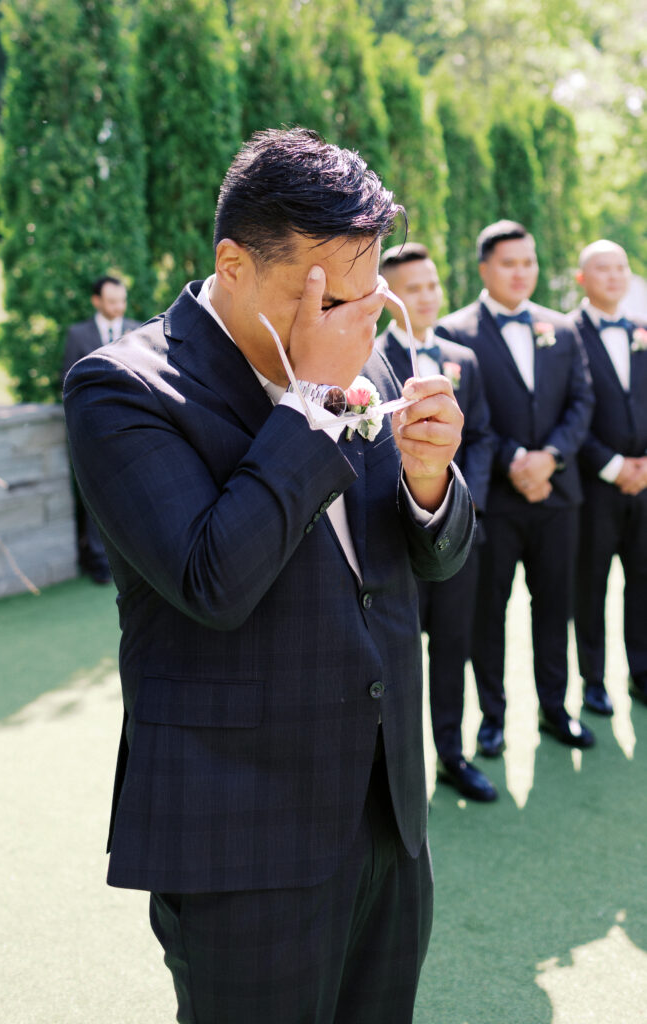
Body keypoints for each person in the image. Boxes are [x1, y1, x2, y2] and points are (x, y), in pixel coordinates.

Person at [63, 129, 474, 1024]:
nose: (349, 324)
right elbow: (212, 580)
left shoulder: (369, 348)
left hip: (387, 812)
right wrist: (313, 404)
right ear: (234, 263)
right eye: (318, 298)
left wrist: (434, 485)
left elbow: (428, 560)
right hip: (237, 835)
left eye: (365, 300)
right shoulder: (122, 388)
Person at [435, 220, 595, 756]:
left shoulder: (563, 329)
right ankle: (492, 718)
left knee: (555, 607)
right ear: (485, 268)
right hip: (495, 504)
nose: (521, 272)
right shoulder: (455, 333)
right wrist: (514, 462)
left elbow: (581, 402)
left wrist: (548, 458)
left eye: (528, 261)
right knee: (489, 614)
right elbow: (467, 417)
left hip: (557, 498)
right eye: (509, 263)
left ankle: (556, 708)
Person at [378, 243, 496, 802]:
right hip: (392, 545)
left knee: (453, 647)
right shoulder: (367, 361)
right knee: (394, 662)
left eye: (433, 284)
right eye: (414, 287)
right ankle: (396, 774)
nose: (428, 296)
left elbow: (482, 438)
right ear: (388, 295)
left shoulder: (462, 358)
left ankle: (452, 754)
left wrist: (463, 509)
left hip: (455, 536)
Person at [571, 239, 647, 714]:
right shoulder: (563, 334)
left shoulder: (643, 329)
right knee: (591, 583)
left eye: (620, 268)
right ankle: (593, 680)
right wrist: (614, 466)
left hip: (646, 485)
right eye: (603, 269)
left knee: (643, 579)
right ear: (583, 278)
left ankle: (641, 671)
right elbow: (569, 411)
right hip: (593, 485)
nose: (614, 276)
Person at [63, 275, 138, 584]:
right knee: (97, 495)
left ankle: (135, 560)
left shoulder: (138, 329)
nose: (118, 307)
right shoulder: (77, 335)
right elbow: (67, 382)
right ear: (97, 301)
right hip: (92, 432)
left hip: (133, 429)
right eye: (111, 302)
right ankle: (98, 561)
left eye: (121, 301)